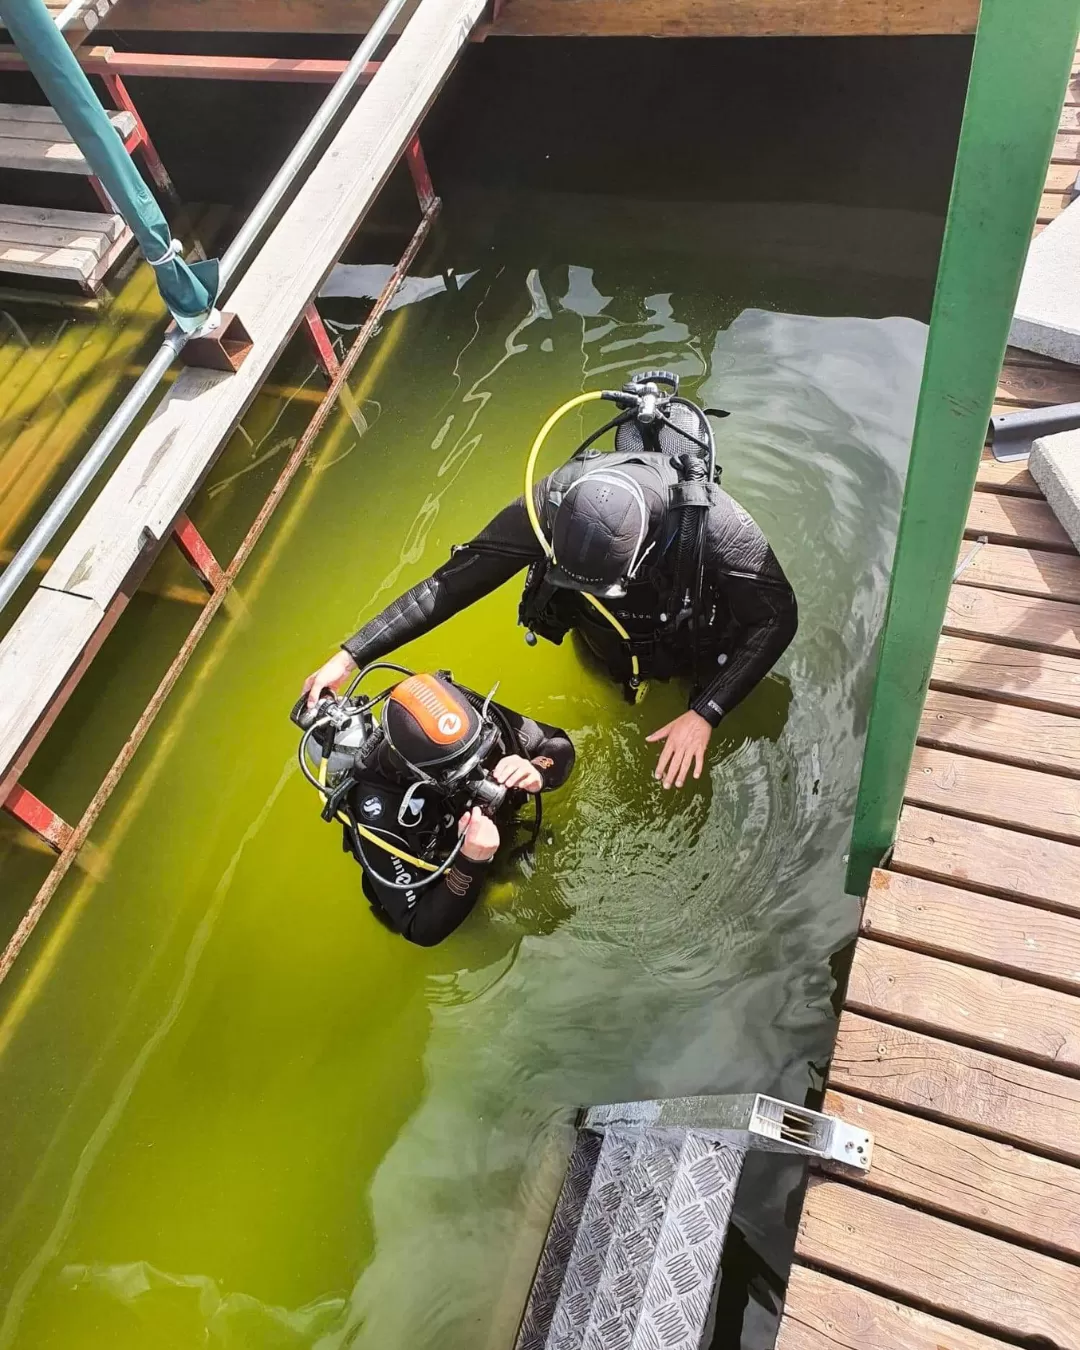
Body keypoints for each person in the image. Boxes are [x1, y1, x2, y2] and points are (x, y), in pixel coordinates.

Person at [304, 373, 796, 792]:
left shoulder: (714, 524)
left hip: (692, 640)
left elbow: (778, 617)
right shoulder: (548, 505)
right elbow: (448, 586)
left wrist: (707, 712)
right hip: (605, 643)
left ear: (642, 551)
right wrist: (351, 656)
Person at [294, 668, 574, 946]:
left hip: (490, 835)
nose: (478, 773)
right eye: (459, 773)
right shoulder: (376, 812)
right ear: (417, 774)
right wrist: (470, 864)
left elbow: (555, 743)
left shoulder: (459, 711)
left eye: (479, 750)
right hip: (445, 878)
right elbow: (419, 926)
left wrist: (538, 770)